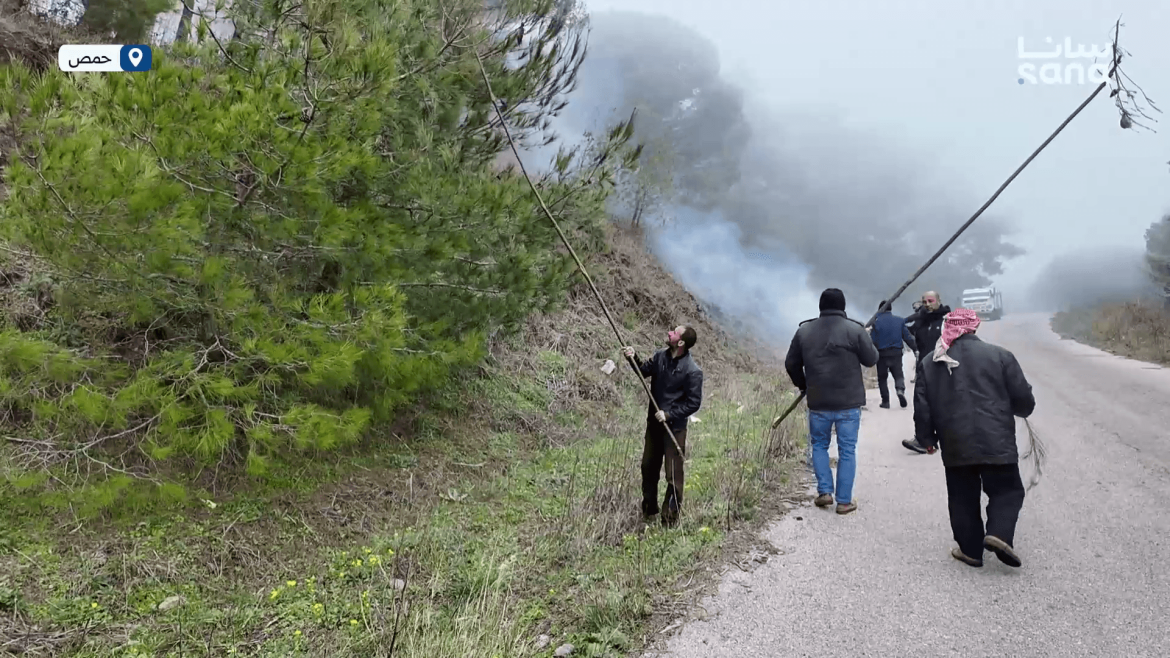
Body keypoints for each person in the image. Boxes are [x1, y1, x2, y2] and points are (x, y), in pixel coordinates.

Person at [912, 308, 1036, 568]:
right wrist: (1018, 408)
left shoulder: (929, 362)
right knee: (1007, 490)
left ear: (949, 329)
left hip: (955, 442)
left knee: (962, 496)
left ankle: (970, 551)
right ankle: (999, 533)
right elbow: (1024, 402)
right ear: (974, 327)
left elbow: (922, 407)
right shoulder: (1000, 356)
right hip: (997, 440)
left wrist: (926, 439)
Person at [784, 288, 879, 515]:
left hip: (818, 402)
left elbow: (791, 364)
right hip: (849, 403)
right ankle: (844, 502)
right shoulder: (855, 330)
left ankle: (824, 492)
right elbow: (871, 359)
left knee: (819, 445)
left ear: (820, 306)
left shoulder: (804, 331)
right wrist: (866, 336)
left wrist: (804, 385)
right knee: (847, 450)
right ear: (843, 306)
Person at [621, 325, 703, 527]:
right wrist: (633, 358)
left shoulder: (692, 371)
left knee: (673, 476)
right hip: (653, 427)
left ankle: (669, 520)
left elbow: (693, 403)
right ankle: (649, 511)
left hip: (674, 430)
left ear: (681, 342)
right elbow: (642, 371)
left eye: (674, 332)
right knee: (648, 467)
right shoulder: (660, 357)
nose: (669, 333)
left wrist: (669, 414)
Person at [902, 290, 953, 453]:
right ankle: (924, 441)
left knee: (948, 405)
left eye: (931, 301)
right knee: (922, 406)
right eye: (924, 302)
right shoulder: (919, 321)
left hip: (945, 368)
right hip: (924, 368)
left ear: (939, 300)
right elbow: (906, 331)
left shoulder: (948, 320)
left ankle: (954, 439)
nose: (927, 304)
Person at [869, 300, 918, 409]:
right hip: (896, 353)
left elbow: (872, 340)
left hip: (881, 354)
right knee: (898, 375)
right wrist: (915, 349)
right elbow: (907, 337)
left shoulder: (875, 323)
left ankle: (885, 402)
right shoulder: (899, 321)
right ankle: (900, 390)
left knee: (882, 378)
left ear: (879, 309)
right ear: (891, 309)